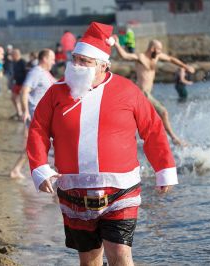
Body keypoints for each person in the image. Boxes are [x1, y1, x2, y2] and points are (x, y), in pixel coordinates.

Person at [26, 22, 178, 266]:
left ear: (103, 65)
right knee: (89, 262)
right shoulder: (56, 93)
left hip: (121, 190)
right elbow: (38, 130)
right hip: (73, 192)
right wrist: (40, 168)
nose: (76, 65)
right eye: (75, 59)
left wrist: (164, 169)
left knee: (120, 257)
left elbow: (152, 128)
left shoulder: (127, 90)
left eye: (84, 61)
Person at [113, 36, 195, 146]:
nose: (160, 52)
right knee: (163, 112)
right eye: (159, 49)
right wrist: (117, 44)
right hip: (141, 93)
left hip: (147, 94)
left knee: (142, 120)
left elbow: (171, 59)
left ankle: (129, 139)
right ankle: (174, 139)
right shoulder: (140, 57)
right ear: (153, 49)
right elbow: (125, 55)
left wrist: (185, 67)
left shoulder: (156, 57)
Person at [10, 49, 56, 179]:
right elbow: (24, 91)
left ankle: (18, 169)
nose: (54, 61)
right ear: (44, 59)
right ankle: (19, 170)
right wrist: (25, 111)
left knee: (39, 145)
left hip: (46, 116)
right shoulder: (36, 72)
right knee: (38, 145)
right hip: (37, 115)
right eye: (52, 58)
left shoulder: (45, 73)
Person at [11, 48, 27, 120]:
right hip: (17, 83)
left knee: (22, 100)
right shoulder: (15, 62)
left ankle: (24, 115)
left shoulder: (23, 62)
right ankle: (19, 112)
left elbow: (27, 73)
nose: (11, 57)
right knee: (13, 98)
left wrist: (25, 86)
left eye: (12, 55)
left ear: (16, 55)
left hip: (23, 84)